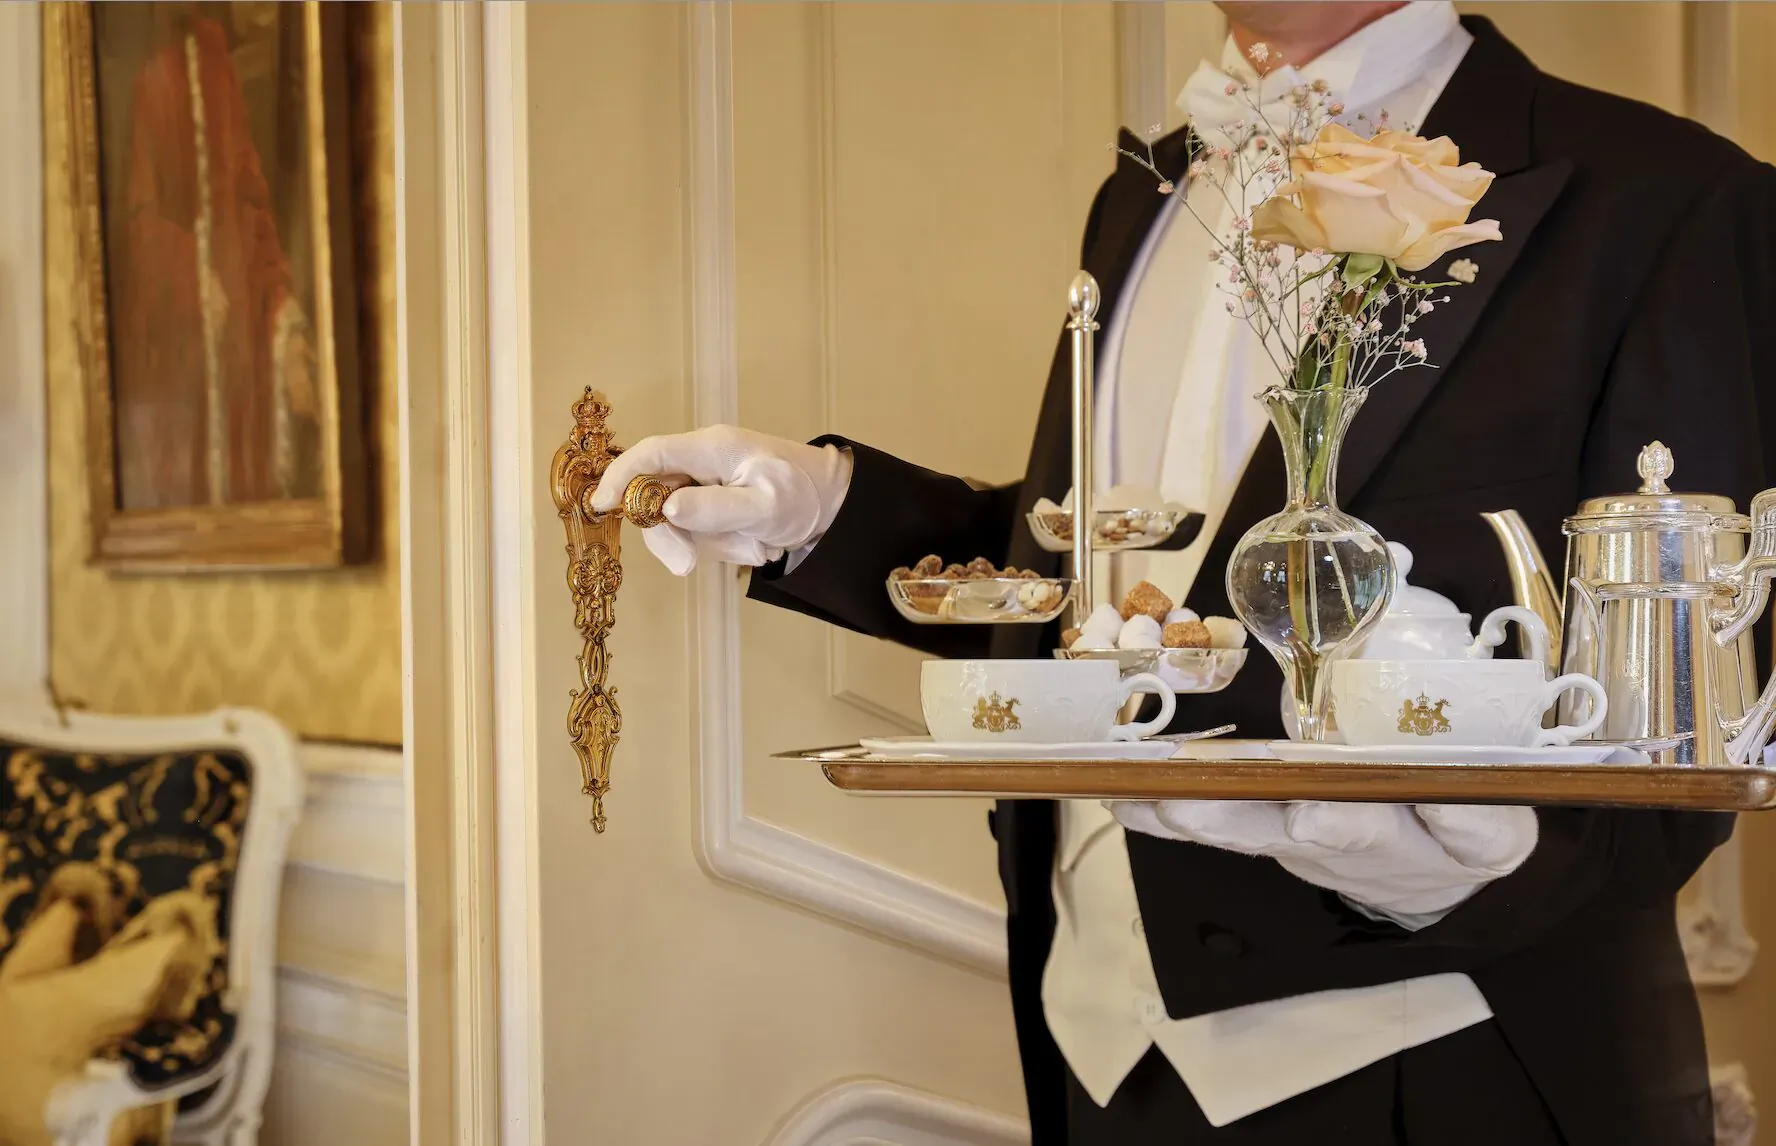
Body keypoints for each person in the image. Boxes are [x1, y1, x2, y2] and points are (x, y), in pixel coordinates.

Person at [598, 5, 1776, 1143]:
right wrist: (829, 511)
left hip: (1464, 1057)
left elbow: (1699, 699)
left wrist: (1443, 865)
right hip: (1100, 1048)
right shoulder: (1145, 193)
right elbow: (1120, 588)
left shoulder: (1670, 199)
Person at [113, 4, 318, 510]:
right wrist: (192, 275)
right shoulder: (156, 82)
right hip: (180, 374)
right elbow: (138, 222)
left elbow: (254, 221)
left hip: (238, 372)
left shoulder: (223, 81)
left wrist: (286, 337)